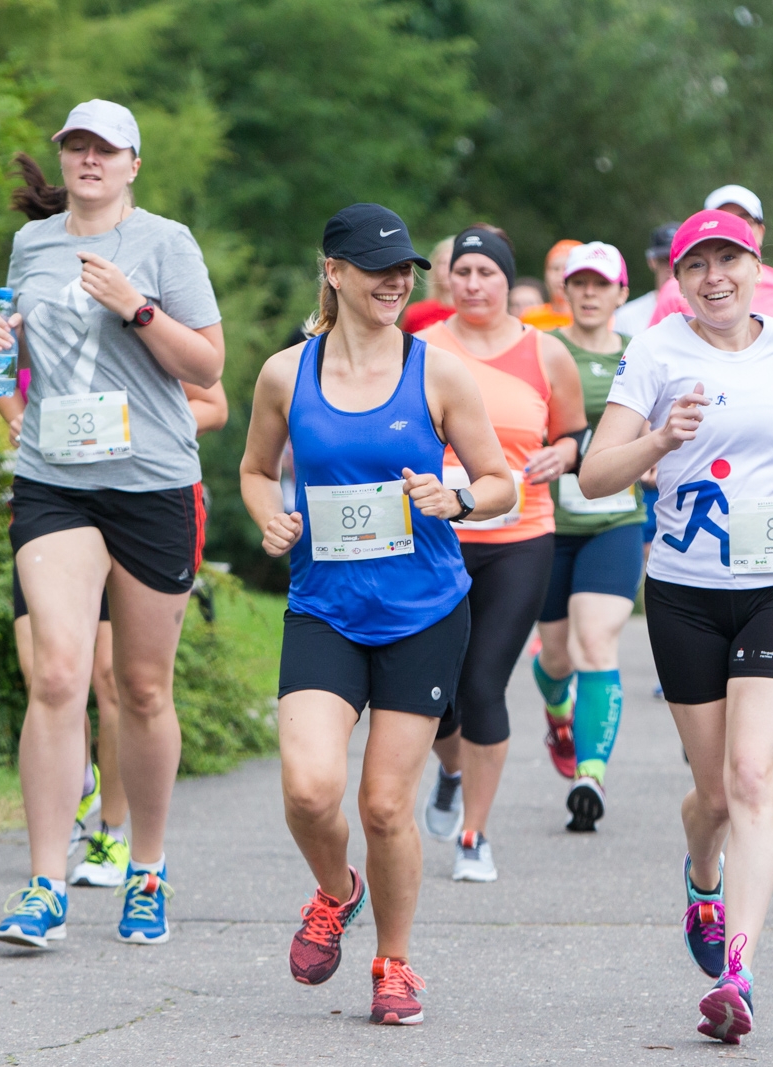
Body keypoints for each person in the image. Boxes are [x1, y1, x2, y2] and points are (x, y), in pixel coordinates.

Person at [581, 209, 773, 1045]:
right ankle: (703, 878)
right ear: (679, 278)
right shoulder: (658, 351)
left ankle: (738, 971)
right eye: (697, 264)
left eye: (728, 258)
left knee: (751, 777)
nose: (714, 276)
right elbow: (595, 474)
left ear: (755, 263)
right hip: (686, 593)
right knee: (711, 796)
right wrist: (661, 436)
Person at [240, 204, 514, 1025]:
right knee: (308, 788)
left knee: (387, 804)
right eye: (377, 268)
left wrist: (456, 495)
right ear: (334, 271)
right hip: (324, 607)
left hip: (423, 612)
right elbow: (257, 470)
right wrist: (269, 515)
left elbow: (501, 481)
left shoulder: (438, 372)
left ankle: (394, 963)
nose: (395, 281)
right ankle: (336, 891)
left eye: (403, 270)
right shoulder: (287, 373)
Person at [0, 99, 225, 948]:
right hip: (54, 479)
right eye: (75, 147)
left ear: (132, 165)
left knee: (145, 689)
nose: (87, 160)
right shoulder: (32, 244)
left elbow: (208, 365)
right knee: (56, 674)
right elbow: (13, 362)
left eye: (104, 149)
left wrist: (139, 308)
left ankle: (146, 869)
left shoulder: (166, 244)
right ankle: (46, 881)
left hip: (152, 480)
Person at [417, 226, 586, 882]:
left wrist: (564, 453)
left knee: (484, 682)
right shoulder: (421, 350)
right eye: (463, 272)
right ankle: (451, 769)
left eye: (487, 272)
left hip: (520, 535)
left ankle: (474, 834)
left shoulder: (546, 354)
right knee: (437, 693)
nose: (474, 284)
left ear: (506, 281)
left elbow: (573, 432)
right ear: (448, 280)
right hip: (436, 537)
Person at [529, 242, 642, 831]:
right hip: (547, 524)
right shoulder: (544, 351)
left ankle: (590, 775)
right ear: (565, 292)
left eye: (603, 284)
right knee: (555, 656)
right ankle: (557, 709)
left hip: (615, 522)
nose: (591, 294)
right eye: (581, 284)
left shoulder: (641, 356)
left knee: (595, 642)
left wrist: (649, 459)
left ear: (622, 293)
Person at [648, 186, 773, 327]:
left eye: (744, 220)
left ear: (760, 231)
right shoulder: (673, 290)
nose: (731, 228)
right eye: (721, 219)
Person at [613, 222, 679, 336]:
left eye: (678, 259)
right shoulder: (626, 317)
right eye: (665, 259)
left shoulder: (705, 314)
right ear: (652, 261)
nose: (672, 267)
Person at [519, 240, 582, 330]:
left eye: (568, 268)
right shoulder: (530, 319)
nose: (561, 275)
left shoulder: (598, 320)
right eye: (555, 269)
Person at [398, 236, 456, 333]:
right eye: (443, 263)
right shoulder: (416, 314)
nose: (448, 269)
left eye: (453, 263)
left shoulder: (476, 315)